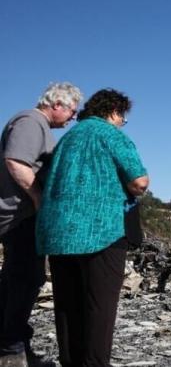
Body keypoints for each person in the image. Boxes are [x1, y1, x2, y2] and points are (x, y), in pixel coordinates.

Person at [36, 89, 149, 367]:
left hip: (60, 233)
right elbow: (139, 181)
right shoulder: (111, 134)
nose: (122, 122)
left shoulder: (67, 140)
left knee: (67, 305)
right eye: (122, 117)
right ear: (113, 112)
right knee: (99, 306)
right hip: (102, 230)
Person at [0, 82, 83, 367]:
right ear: (57, 104)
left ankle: (15, 343)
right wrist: (39, 200)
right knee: (26, 280)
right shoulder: (30, 121)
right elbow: (16, 162)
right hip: (18, 216)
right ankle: (11, 349)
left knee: (17, 280)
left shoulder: (38, 125)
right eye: (72, 110)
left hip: (21, 216)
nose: (73, 117)